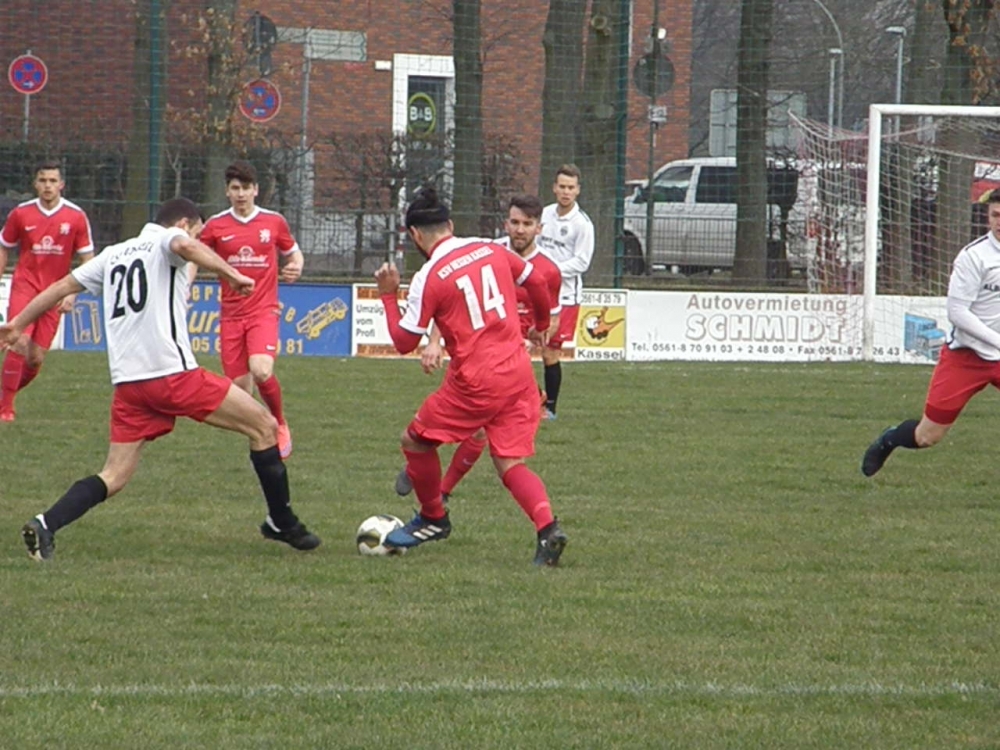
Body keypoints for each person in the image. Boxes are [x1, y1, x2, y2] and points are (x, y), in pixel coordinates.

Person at [1, 197, 320, 562]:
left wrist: (17, 324)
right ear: (183, 224)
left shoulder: (113, 254)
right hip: (172, 376)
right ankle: (281, 521)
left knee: (114, 475)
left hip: (128, 387)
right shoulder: (167, 241)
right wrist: (231, 274)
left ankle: (46, 524)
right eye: (198, 233)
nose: (196, 242)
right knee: (264, 426)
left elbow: (60, 287)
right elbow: (182, 245)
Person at [374, 187, 568, 566]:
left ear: (414, 234)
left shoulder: (429, 277)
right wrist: (541, 326)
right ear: (449, 225)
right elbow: (539, 283)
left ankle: (433, 517)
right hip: (518, 374)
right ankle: (548, 530)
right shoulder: (491, 249)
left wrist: (387, 295)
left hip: (476, 383)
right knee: (510, 463)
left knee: (414, 441)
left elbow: (402, 342)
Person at [862, 190, 1000, 477]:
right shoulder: (975, 257)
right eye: (995, 216)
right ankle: (889, 439)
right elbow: (958, 313)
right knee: (927, 437)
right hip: (967, 357)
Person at [199, 161, 303, 459]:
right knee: (240, 392)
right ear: (227, 192)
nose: (241, 194)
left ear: (256, 190)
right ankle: (264, 433)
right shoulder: (216, 226)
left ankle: (279, 423)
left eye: (246, 188)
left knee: (261, 369)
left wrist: (296, 266)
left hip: (264, 311)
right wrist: (183, 287)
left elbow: (292, 252)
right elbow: (195, 256)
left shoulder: (273, 222)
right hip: (231, 316)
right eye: (235, 188)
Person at [0, 160, 94, 422]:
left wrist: (73, 293)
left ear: (61, 185)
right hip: (25, 286)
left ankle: (4, 393)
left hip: (55, 290)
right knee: (18, 340)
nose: (48, 186)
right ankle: (5, 408)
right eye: (43, 180)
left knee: (35, 357)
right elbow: (4, 245)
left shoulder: (75, 216)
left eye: (53, 181)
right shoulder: (21, 213)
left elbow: (88, 258)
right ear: (35, 184)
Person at [536, 163, 594, 420]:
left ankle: (550, 408)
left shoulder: (582, 224)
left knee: (549, 351)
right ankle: (531, 400)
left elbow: (582, 262)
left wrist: (551, 270)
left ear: (578, 191)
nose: (566, 192)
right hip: (537, 291)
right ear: (554, 188)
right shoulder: (545, 214)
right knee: (517, 345)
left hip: (566, 296)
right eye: (562, 187)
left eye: (571, 187)